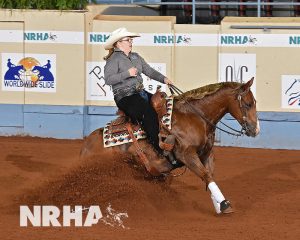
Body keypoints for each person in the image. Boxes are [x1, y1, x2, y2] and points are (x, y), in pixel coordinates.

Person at [103, 27, 173, 154]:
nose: (131, 42)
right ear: (118, 43)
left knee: (166, 105)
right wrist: (127, 73)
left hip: (140, 93)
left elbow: (149, 71)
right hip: (125, 97)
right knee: (148, 112)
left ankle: (165, 135)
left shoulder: (136, 57)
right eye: (128, 40)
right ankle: (158, 149)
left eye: (131, 40)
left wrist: (164, 79)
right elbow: (108, 79)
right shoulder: (113, 59)